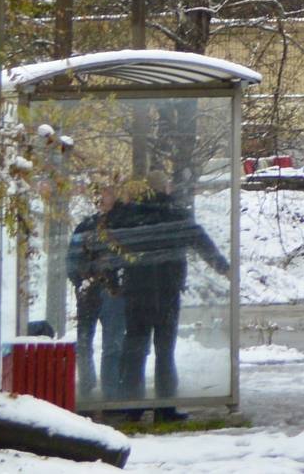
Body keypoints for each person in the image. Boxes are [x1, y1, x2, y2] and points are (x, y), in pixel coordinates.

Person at [107, 173, 231, 410]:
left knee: (135, 349)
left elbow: (110, 244)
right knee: (165, 352)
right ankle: (166, 407)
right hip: (167, 290)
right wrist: (223, 268)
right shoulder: (175, 213)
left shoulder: (130, 215)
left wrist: (114, 283)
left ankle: (132, 407)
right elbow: (200, 240)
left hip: (137, 291)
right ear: (165, 188)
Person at [63, 189, 128, 403]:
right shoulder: (87, 226)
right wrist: (80, 281)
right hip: (91, 291)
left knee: (112, 342)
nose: (104, 199)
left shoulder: (118, 225)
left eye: (108, 194)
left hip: (110, 290)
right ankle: (88, 385)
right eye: (101, 195)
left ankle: (109, 390)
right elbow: (72, 259)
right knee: (85, 341)